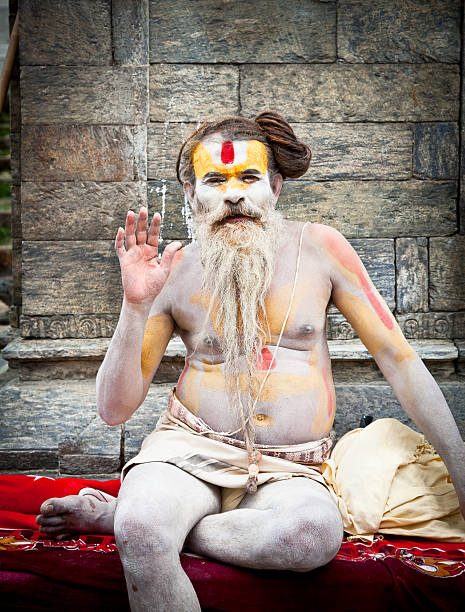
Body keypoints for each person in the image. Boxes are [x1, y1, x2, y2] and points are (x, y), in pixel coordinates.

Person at [36, 112, 465, 611]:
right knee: (144, 534)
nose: (233, 194)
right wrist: (134, 306)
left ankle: (135, 518)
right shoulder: (172, 271)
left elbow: (399, 358)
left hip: (292, 468)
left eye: (248, 177)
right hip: (187, 451)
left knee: (310, 538)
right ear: (192, 195)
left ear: (275, 188)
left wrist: (459, 462)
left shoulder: (322, 248)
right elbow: (114, 410)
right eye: (215, 180)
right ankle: (140, 518)